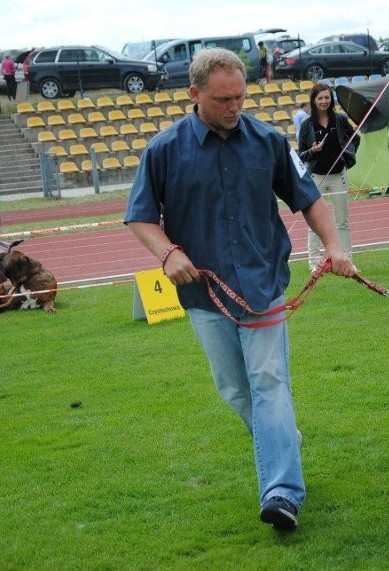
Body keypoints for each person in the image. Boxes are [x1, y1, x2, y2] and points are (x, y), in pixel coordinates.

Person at [123, 48, 355, 531]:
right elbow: (141, 217)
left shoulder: (269, 142)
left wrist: (334, 245)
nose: (234, 107)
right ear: (195, 94)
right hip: (204, 295)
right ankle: (284, 441)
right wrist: (168, 254)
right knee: (234, 388)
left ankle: (282, 493)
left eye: (240, 98)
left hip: (263, 283)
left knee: (268, 382)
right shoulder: (163, 151)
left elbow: (309, 200)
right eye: (224, 99)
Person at [297, 83, 358, 271]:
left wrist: (347, 154)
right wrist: (313, 151)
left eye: (327, 97)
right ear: (313, 101)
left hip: (338, 175)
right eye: (320, 98)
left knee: (342, 220)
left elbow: (355, 138)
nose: (324, 101)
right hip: (316, 177)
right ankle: (314, 263)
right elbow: (301, 155)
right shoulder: (307, 124)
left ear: (331, 100)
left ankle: (347, 260)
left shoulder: (339, 119)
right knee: (315, 222)